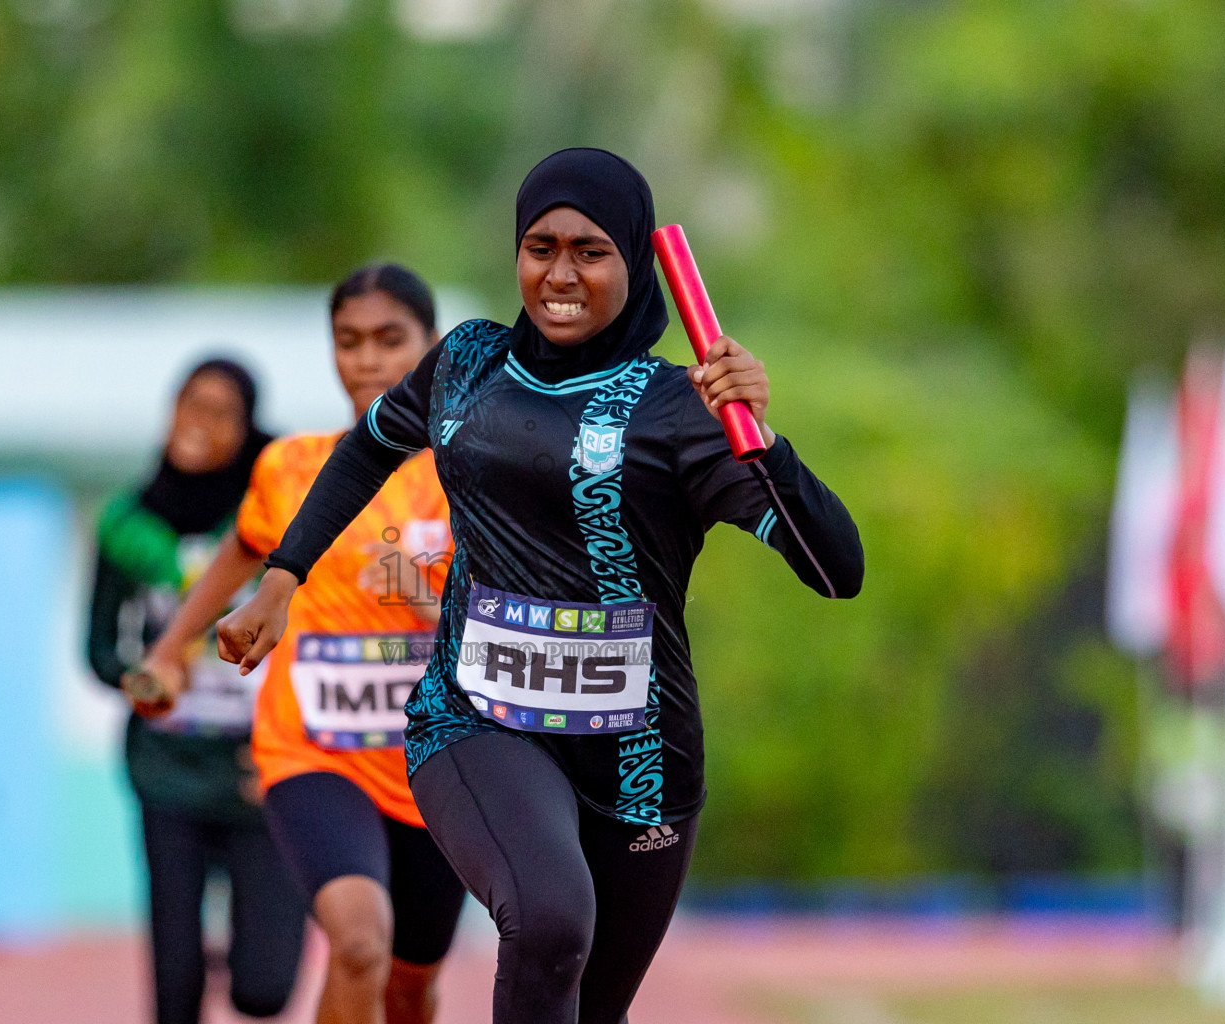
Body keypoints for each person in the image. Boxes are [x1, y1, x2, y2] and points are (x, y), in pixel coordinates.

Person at [216, 148, 865, 1024]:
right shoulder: (467, 363)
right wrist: (281, 577)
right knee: (553, 920)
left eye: (590, 252)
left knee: (588, 1006)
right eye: (540, 246)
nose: (560, 273)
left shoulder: (682, 412)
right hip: (477, 721)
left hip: (642, 759)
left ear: (635, 264)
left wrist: (764, 443)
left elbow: (835, 569)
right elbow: (368, 444)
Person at [138, 265, 466, 1024]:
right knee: (358, 943)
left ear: (431, 348)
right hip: (313, 752)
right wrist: (170, 650)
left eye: (390, 340)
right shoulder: (289, 468)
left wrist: (422, 598)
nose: (367, 360)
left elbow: (503, 611)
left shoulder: (465, 475)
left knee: (410, 985)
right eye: (348, 341)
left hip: (435, 760)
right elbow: (238, 557)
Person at [86, 358, 305, 1024]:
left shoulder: (280, 517)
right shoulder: (129, 524)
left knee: (262, 991)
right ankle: (190, 963)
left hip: (259, 769)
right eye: (188, 405)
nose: (198, 424)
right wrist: (141, 680)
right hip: (167, 768)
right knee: (174, 986)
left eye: (220, 412)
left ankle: (242, 955)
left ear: (248, 427)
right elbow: (96, 648)